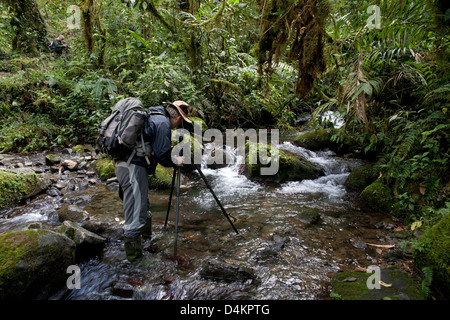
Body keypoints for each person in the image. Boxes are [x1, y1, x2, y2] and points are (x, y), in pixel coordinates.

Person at [114, 100, 192, 264]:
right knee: (136, 210)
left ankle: (146, 240)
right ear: (177, 117)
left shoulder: (153, 117)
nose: (178, 127)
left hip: (127, 165)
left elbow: (155, 147)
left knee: (142, 203)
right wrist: (175, 160)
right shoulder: (163, 122)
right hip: (132, 167)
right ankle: (136, 261)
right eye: (182, 122)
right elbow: (163, 156)